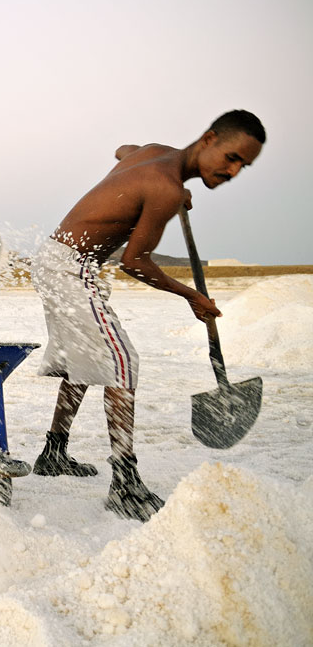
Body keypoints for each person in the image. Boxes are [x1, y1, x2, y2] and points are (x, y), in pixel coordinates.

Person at [31, 110, 265, 522]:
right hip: (73, 267)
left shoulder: (155, 156)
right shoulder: (165, 186)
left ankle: (53, 453)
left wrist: (145, 182)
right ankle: (125, 483)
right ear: (208, 139)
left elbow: (125, 150)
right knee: (123, 363)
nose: (233, 171)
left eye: (242, 166)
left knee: (87, 361)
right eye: (230, 157)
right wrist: (192, 295)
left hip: (54, 259)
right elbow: (135, 262)